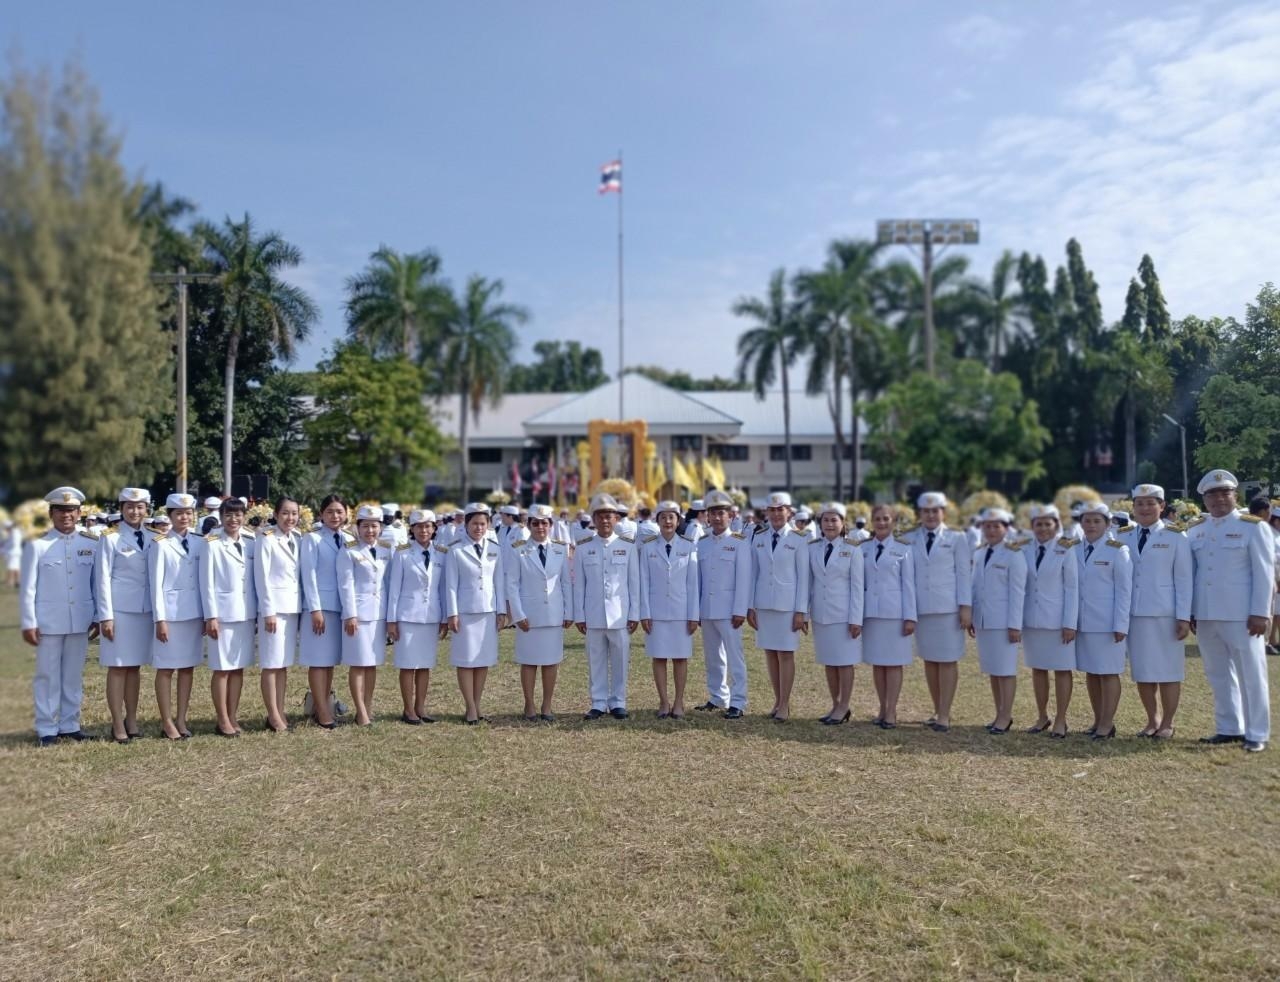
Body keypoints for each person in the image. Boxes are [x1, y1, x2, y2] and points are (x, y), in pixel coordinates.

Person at [1187, 470, 1272, 752]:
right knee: (1218, 673)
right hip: (1206, 614)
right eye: (1212, 494)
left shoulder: (1253, 527)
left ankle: (1257, 732)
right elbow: (1194, 574)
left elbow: (1264, 573)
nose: (1219, 498)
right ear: (1204, 499)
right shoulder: (1196, 529)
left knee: (1252, 674)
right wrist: (1192, 612)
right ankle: (1229, 727)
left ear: (1235, 495)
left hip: (1242, 615)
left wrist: (1261, 613)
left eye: (1225, 492)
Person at [20, 487, 98, 746]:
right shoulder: (37, 545)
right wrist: (29, 622)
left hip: (80, 619)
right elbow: (28, 588)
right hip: (48, 622)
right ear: (51, 513)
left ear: (79, 513)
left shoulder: (90, 544)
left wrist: (98, 616)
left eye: (71, 510)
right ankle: (46, 728)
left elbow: (96, 583)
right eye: (61, 510)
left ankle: (70, 724)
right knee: (47, 675)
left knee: (73, 675)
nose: (67, 515)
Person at [1116, 484, 1192, 739]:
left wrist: (1183, 616)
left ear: (1162, 506)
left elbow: (1184, 579)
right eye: (1140, 503)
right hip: (1134, 613)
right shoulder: (1123, 536)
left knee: (1169, 671)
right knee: (1143, 672)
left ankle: (1168, 722)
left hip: (1165, 613)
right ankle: (1152, 719)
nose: (1145, 508)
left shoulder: (1175, 536)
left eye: (1151, 503)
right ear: (1133, 507)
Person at [901, 492, 972, 733]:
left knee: (947, 660)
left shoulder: (956, 537)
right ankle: (936, 709)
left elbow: (963, 573)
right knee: (930, 660)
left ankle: (945, 713)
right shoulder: (909, 538)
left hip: (948, 608)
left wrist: (965, 606)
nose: (930, 515)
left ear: (943, 512)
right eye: (926, 511)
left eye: (935, 511)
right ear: (919, 513)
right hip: (921, 608)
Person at [94, 487, 154, 743]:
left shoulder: (154, 537)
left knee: (134, 667)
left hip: (143, 610)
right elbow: (102, 579)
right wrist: (105, 616)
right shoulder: (110, 538)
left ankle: (131, 719)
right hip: (119, 611)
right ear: (121, 509)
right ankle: (117, 723)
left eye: (140, 507)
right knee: (118, 667)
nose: (134, 511)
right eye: (129, 507)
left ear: (147, 509)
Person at [573, 493, 641, 720]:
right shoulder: (584, 547)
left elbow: (634, 583)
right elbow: (579, 584)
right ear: (593, 519)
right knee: (596, 660)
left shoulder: (627, 546)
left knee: (620, 660)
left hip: (620, 615)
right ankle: (598, 702)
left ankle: (618, 701)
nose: (604, 520)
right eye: (600, 516)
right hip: (593, 613)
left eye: (609, 516)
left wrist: (634, 613)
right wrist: (579, 615)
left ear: (616, 519)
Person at [747, 491, 810, 723]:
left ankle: (785, 703)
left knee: (785, 653)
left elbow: (804, 578)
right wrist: (750, 606)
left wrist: (801, 611)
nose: (775, 514)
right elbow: (753, 573)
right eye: (771, 510)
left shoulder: (799, 539)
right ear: (766, 512)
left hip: (787, 606)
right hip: (764, 603)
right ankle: (777, 699)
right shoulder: (759, 537)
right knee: (770, 653)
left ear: (789, 512)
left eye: (780, 510)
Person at [506, 503, 571, 721]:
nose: (540, 527)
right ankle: (529, 704)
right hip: (529, 616)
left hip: (553, 614)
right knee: (529, 661)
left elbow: (566, 583)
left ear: (551, 525)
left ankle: (547, 705)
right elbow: (512, 584)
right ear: (529, 525)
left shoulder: (560, 549)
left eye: (544, 523)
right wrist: (518, 615)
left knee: (551, 661)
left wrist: (569, 612)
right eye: (536, 523)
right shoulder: (518, 549)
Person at [149, 492, 205, 740]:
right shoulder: (160, 543)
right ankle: (167, 721)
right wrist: (159, 619)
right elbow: (155, 584)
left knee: (187, 668)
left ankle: (182, 718)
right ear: (170, 516)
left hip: (193, 613)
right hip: (170, 616)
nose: (184, 517)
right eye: (179, 513)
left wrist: (205, 615)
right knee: (165, 669)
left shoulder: (200, 542)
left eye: (188, 513)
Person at [1021, 504, 1079, 738]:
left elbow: (1072, 588)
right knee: (1038, 669)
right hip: (1032, 619)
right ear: (1032, 526)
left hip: (1057, 621)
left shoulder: (1066, 548)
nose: (1043, 528)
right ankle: (1042, 716)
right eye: (1039, 524)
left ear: (1056, 525)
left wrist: (1070, 623)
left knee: (1062, 670)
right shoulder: (1024, 547)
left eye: (1048, 524)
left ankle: (1061, 719)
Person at [446, 503, 507, 724]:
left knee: (483, 660)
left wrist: (501, 610)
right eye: (474, 524)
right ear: (466, 524)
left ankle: (477, 704)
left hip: (487, 611)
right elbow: (450, 585)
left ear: (488, 524)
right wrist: (452, 613)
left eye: (483, 524)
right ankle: (470, 707)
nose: (478, 528)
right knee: (465, 660)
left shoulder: (495, 548)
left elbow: (499, 582)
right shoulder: (455, 549)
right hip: (465, 612)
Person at [201, 497, 257, 737]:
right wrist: (211, 616)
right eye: (228, 515)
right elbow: (206, 583)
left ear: (244, 516)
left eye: (238, 515)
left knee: (238, 668)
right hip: (222, 614)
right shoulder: (211, 543)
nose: (233, 519)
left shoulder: (251, 541)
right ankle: (222, 718)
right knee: (222, 668)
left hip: (246, 612)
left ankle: (233, 715)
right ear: (221, 517)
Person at [1075, 502, 1132, 740]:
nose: (1091, 525)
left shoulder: (1117, 550)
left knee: (1108, 673)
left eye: (1097, 521)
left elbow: (1124, 591)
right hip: (1083, 622)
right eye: (1087, 520)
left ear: (1108, 524)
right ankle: (1098, 719)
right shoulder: (1074, 548)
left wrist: (1121, 624)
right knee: (1092, 672)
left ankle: (1107, 724)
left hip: (1107, 623)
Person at [639, 500, 700, 719]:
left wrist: (693, 615)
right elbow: (643, 582)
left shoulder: (688, 546)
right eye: (663, 517)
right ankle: (664, 701)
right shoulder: (648, 547)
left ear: (678, 520)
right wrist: (644, 613)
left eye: (671, 517)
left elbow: (693, 584)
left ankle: (679, 702)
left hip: (681, 612)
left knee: (680, 658)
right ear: (657, 521)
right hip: (656, 612)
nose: (667, 521)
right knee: (659, 657)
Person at [695, 489, 752, 718]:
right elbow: (699, 579)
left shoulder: (739, 542)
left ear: (731, 516)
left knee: (735, 657)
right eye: (713, 513)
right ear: (708, 516)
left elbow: (744, 579)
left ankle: (738, 701)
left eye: (722, 513)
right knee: (713, 656)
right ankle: (717, 696)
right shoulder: (702, 543)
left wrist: (740, 610)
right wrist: (697, 610)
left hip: (730, 610)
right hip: (707, 608)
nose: (717, 518)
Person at [968, 508, 1027, 734]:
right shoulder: (980, 552)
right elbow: (975, 587)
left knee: (1005, 670)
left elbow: (1017, 592)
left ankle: (1006, 715)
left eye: (996, 526)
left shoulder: (1014, 554)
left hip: (1004, 622)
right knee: (993, 669)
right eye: (987, 526)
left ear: (1006, 528)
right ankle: (998, 712)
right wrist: (972, 616)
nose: (991, 530)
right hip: (984, 619)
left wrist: (1015, 625)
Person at [386, 509, 446, 724]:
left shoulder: (441, 553)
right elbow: (394, 589)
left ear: (434, 528)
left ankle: (421, 706)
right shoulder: (402, 553)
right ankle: (408, 709)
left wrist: (445, 618)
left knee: (424, 664)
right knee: (408, 664)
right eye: (419, 526)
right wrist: (391, 620)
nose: (424, 530)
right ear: (412, 529)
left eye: (428, 526)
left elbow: (442, 588)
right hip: (407, 615)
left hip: (431, 616)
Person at [860, 503, 917, 729]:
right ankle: (882, 707)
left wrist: (910, 616)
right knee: (878, 663)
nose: (882, 523)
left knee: (893, 663)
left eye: (886, 518)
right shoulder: (863, 548)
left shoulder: (904, 549)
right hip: (871, 614)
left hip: (895, 614)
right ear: (871, 521)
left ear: (894, 522)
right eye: (878, 519)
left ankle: (892, 710)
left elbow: (908, 584)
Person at [300, 495, 354, 729]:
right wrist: (315, 609)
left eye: (339, 511)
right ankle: (322, 713)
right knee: (318, 661)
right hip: (320, 608)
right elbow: (309, 575)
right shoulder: (312, 538)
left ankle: (324, 706)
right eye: (330, 511)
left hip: (340, 607)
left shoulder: (349, 539)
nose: (335, 516)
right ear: (321, 514)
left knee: (329, 661)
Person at [807, 502, 864, 725]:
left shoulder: (853, 549)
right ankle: (835, 703)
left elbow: (857, 587)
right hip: (821, 614)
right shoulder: (813, 547)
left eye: (834, 520)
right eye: (825, 520)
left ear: (843, 523)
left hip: (843, 615)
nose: (829, 524)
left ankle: (844, 705)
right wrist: (805, 613)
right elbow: (810, 583)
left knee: (844, 662)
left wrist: (856, 619)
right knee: (829, 661)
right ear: (820, 523)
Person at [335, 504, 389, 726]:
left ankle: (367, 706)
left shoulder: (386, 550)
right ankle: (360, 710)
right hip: (358, 614)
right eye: (365, 526)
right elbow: (345, 585)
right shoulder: (349, 550)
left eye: (374, 526)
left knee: (372, 663)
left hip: (379, 614)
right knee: (358, 663)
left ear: (380, 527)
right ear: (357, 527)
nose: (370, 531)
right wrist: (350, 615)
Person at [254, 496, 304, 733]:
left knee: (283, 664)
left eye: (294, 513)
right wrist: (268, 611)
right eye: (285, 513)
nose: (290, 518)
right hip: (274, 610)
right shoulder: (266, 538)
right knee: (271, 664)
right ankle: (273, 715)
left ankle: (280, 710)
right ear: (275, 514)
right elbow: (262, 577)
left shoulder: (297, 538)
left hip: (291, 607)